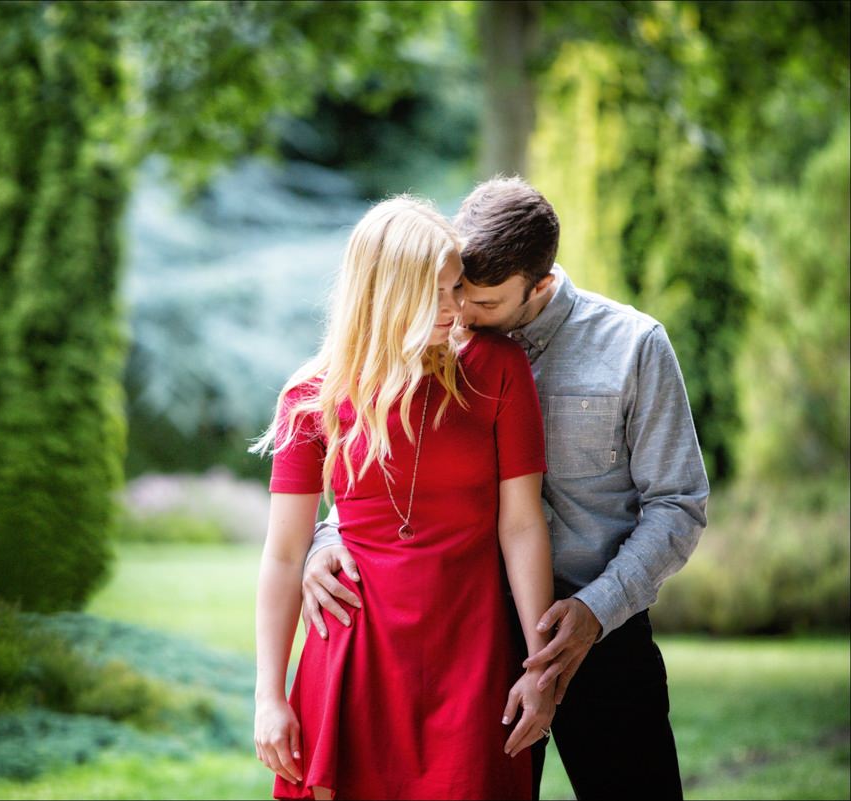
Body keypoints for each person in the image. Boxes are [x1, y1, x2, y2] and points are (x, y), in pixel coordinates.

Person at [301, 177, 709, 800]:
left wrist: (595, 611)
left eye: (484, 304)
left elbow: (678, 506)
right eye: (457, 291)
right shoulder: (434, 337)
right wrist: (327, 539)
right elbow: (380, 456)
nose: (462, 314)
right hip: (469, 638)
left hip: (596, 629)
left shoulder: (633, 347)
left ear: (540, 285)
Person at [252, 195, 556, 800]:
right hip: (353, 659)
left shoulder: (498, 368)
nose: (459, 308)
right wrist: (268, 697)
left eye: (458, 288)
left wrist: (540, 669)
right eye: (440, 293)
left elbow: (520, 526)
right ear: (390, 293)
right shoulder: (310, 399)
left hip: (470, 657)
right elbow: (284, 555)